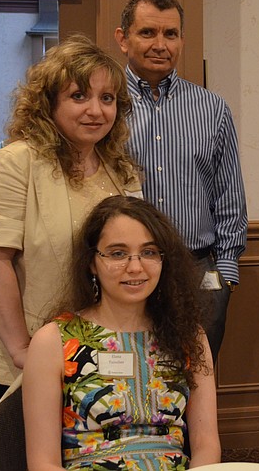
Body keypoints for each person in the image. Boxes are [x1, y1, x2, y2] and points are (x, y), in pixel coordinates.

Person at [0, 35, 142, 396]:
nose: (96, 110)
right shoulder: (13, 165)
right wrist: (21, 350)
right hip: (36, 347)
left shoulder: (120, 169)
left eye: (107, 98)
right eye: (79, 96)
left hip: (106, 344)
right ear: (48, 103)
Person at [23, 195, 221, 470]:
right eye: (118, 253)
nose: (135, 267)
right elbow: (42, 464)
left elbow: (207, 445)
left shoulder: (188, 335)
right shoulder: (54, 340)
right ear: (92, 262)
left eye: (149, 252)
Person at [114, 0, 247, 362]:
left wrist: (226, 273)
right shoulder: (104, 105)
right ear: (123, 39)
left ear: (181, 40)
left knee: (195, 377)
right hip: (124, 269)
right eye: (147, 33)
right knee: (130, 376)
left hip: (197, 270)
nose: (160, 45)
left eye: (170, 34)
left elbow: (228, 194)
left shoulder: (211, 108)